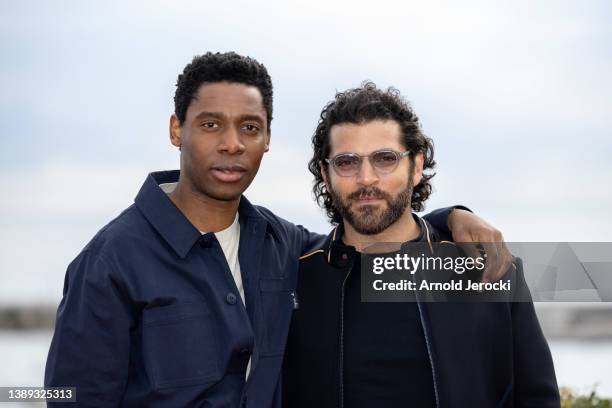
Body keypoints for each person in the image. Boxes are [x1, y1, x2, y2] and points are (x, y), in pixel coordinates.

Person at [45, 52, 510, 407]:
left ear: (267, 137)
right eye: (210, 125)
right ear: (176, 130)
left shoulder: (281, 246)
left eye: (250, 126)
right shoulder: (110, 262)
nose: (232, 143)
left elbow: (367, 239)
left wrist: (447, 218)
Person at [282, 82, 560, 407]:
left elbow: (536, 398)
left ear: (416, 167)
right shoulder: (295, 274)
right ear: (325, 176)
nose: (366, 177)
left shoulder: (488, 270)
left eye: (385, 158)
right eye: (346, 162)